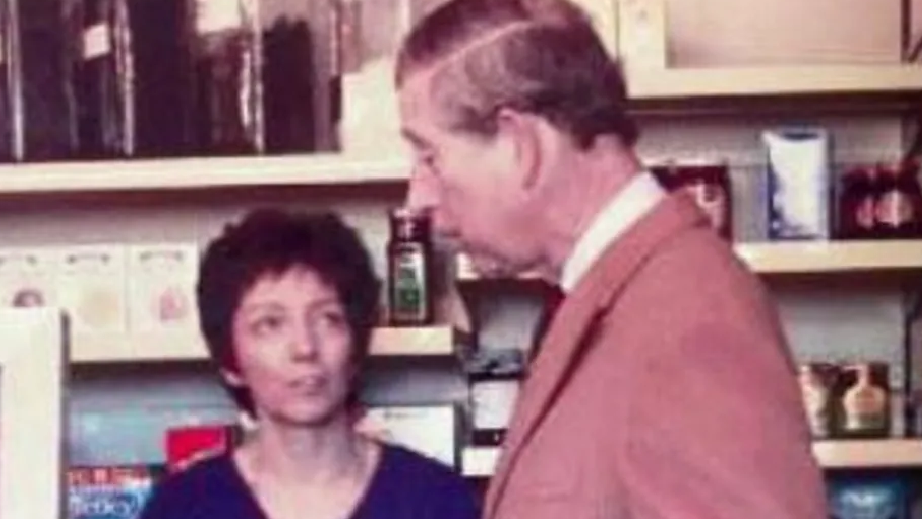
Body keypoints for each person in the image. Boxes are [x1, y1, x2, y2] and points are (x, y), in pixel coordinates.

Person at [396, 1, 828, 518]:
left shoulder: (689, 325)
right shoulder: (612, 299)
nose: (417, 197)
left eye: (429, 156)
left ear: (520, 143)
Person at [139, 209, 479, 519]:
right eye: (270, 323)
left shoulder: (436, 501)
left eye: (327, 319)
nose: (304, 347)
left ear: (356, 346)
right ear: (230, 359)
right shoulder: (183, 507)